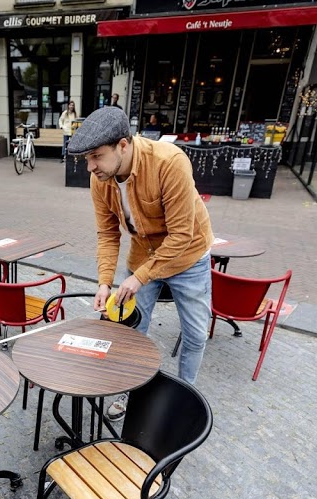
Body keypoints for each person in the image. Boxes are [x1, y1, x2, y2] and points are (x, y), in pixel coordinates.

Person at [66, 106, 213, 419]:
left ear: (123, 145)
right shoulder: (100, 179)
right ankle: (129, 391)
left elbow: (181, 235)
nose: (90, 167)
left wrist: (139, 277)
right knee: (130, 331)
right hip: (144, 254)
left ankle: (185, 396)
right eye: (86, 159)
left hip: (189, 255)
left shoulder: (169, 162)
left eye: (96, 156)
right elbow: (107, 234)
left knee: (196, 333)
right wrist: (105, 281)